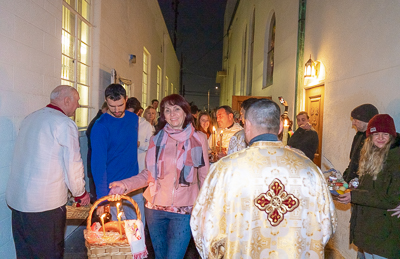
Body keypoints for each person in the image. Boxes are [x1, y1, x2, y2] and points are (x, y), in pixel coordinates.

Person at [191, 99, 336, 258]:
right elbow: (326, 226)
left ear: (247, 126)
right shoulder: (310, 170)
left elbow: (204, 226)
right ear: (280, 127)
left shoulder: (225, 169)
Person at [108, 94, 210, 259]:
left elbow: (205, 176)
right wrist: (124, 185)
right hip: (155, 209)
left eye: (177, 109)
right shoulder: (157, 139)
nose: (172, 114)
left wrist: (206, 208)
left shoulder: (199, 139)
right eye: (167, 110)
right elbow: (148, 174)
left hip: (184, 210)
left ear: (185, 112)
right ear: (163, 115)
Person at [6, 85, 90, 258]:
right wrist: (80, 194)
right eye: (77, 101)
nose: (78, 106)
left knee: (25, 253)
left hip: (18, 202)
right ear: (67, 100)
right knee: (49, 252)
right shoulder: (64, 124)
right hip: (44, 206)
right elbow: (73, 164)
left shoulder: (30, 118)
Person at [338, 114, 400, 259]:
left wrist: (354, 195)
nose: (380, 138)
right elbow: (374, 186)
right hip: (370, 227)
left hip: (385, 229)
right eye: (376, 134)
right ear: (369, 137)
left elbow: (390, 198)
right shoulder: (371, 154)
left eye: (385, 134)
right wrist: (355, 184)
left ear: (391, 135)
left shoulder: (395, 159)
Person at [90, 84, 144, 224]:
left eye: (120, 105)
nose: (117, 110)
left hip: (133, 183)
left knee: (138, 228)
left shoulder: (133, 119)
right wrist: (102, 199)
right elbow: (98, 165)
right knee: (117, 232)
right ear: (106, 101)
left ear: (126, 99)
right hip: (112, 187)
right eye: (112, 106)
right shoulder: (100, 126)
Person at [342, 104, 379, 183]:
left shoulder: (377, 141)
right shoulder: (358, 136)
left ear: (366, 120)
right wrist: (344, 178)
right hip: (352, 185)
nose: (353, 123)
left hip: (364, 187)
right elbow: (353, 161)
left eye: (356, 120)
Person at [86, 101, 108, 203]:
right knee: (97, 195)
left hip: (96, 162)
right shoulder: (98, 123)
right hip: (96, 163)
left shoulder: (100, 121)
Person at [126, 97, 154, 172]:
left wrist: (139, 144)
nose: (129, 116)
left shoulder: (146, 125)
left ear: (138, 112)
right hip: (125, 164)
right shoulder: (122, 124)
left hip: (140, 164)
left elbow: (151, 145)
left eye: (132, 114)